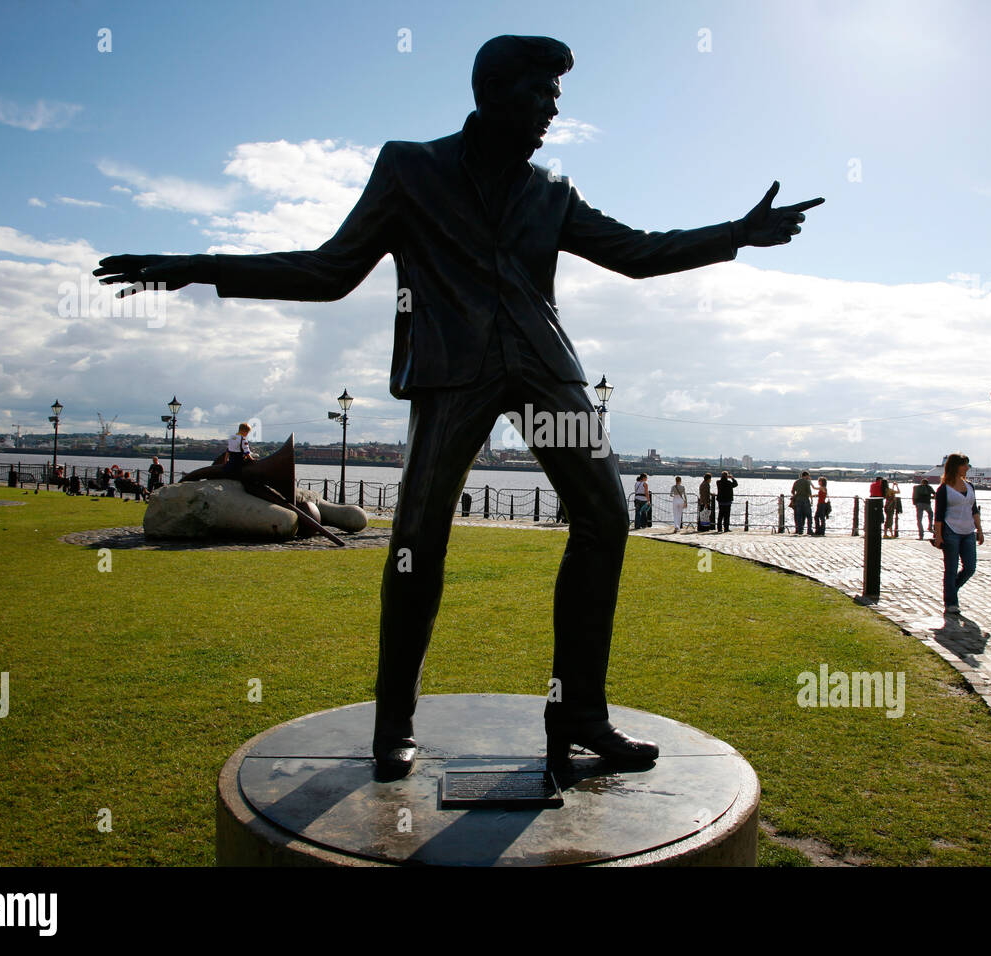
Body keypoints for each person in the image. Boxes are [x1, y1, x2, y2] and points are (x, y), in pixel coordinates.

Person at [94, 34, 825, 779]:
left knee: (605, 518)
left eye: (556, 99)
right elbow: (329, 270)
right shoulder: (411, 168)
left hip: (546, 372)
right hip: (453, 372)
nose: (551, 111)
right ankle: (393, 725)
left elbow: (635, 252)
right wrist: (197, 267)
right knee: (418, 537)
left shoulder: (552, 192)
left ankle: (578, 714)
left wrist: (738, 233)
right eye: (540, 95)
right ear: (493, 93)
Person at [932, 453, 983, 615]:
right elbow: (938, 515)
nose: (967, 468)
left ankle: (951, 589)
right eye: (964, 465)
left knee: (970, 567)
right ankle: (951, 602)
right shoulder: (944, 489)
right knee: (951, 568)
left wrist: (979, 530)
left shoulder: (970, 486)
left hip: (968, 531)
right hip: (950, 531)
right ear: (955, 467)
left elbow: (974, 509)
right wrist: (938, 535)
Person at [790, 470, 813, 535]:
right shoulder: (807, 482)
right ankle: (809, 530)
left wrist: (795, 495)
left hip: (798, 500)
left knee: (799, 516)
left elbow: (792, 491)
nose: (809, 477)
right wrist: (811, 499)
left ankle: (800, 530)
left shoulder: (796, 482)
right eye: (808, 476)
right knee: (809, 516)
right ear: (806, 476)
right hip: (805, 499)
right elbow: (809, 492)